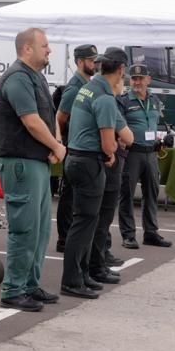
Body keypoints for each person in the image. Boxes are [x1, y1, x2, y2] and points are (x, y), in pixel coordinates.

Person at [0, 27, 66, 313]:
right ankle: (13, 289)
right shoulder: (17, 78)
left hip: (36, 161)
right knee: (24, 230)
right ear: (27, 49)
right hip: (21, 163)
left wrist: (55, 143)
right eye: (45, 45)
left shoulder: (34, 77)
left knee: (38, 231)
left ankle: (29, 285)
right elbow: (31, 121)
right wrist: (57, 147)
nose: (49, 50)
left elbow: (49, 117)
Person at [62, 48, 130, 293]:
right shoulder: (104, 97)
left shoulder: (88, 88)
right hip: (89, 162)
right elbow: (108, 142)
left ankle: (81, 274)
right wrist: (111, 152)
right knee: (83, 224)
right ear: (121, 69)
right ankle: (72, 280)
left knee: (86, 223)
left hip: (77, 158)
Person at [117, 65, 171, 249]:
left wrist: (160, 139)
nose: (137, 82)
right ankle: (128, 235)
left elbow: (154, 125)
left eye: (141, 78)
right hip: (132, 152)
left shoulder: (155, 101)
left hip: (151, 153)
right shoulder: (123, 101)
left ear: (148, 79)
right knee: (127, 194)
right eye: (134, 78)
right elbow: (118, 127)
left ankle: (151, 232)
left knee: (152, 193)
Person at [54, 44, 98, 252]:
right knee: (69, 194)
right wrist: (61, 142)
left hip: (79, 146)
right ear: (80, 62)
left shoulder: (87, 84)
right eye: (91, 60)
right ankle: (64, 237)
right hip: (73, 147)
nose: (94, 64)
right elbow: (60, 118)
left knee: (75, 194)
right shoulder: (74, 88)